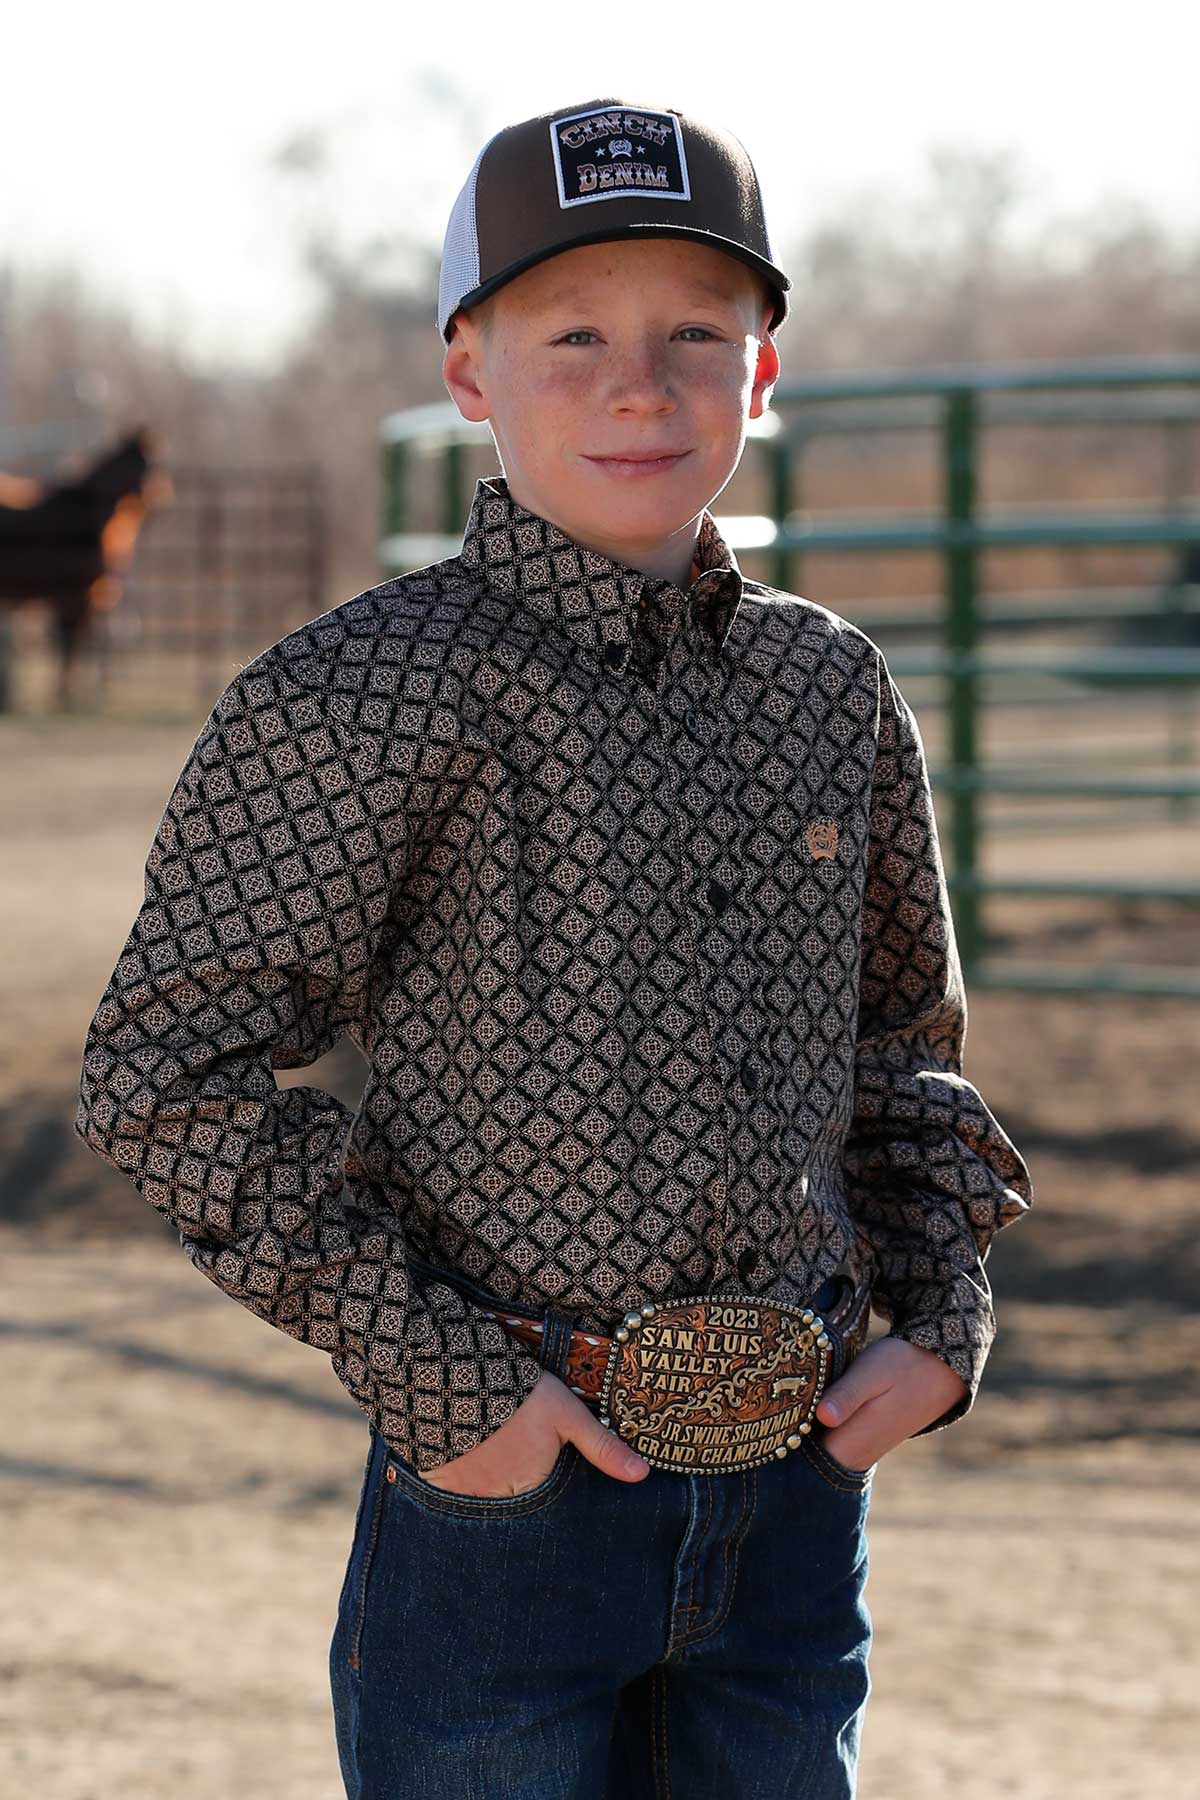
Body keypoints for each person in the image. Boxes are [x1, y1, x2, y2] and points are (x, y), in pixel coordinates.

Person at [75, 96, 1035, 1800]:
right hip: (506, 1495)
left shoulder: (831, 692)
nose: (638, 386)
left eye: (695, 334)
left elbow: (906, 1046)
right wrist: (450, 1386)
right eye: (572, 332)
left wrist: (943, 1316)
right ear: (468, 370)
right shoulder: (357, 696)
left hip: (796, 1498)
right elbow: (166, 1071)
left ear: (766, 369)